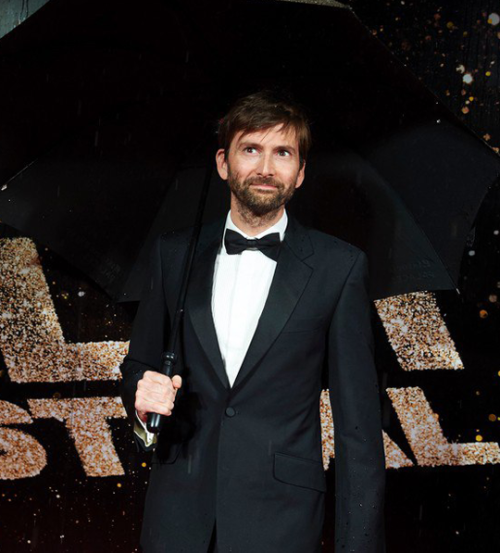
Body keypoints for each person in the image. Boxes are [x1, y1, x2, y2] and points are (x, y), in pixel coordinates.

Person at [119, 89, 386, 553]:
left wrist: (358, 545)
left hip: (282, 519)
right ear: (223, 163)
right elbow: (137, 367)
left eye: (283, 153)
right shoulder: (174, 254)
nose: (266, 168)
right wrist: (140, 396)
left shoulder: (338, 268)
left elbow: (358, 428)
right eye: (251, 149)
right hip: (177, 513)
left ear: (300, 172)